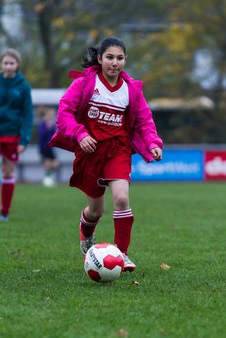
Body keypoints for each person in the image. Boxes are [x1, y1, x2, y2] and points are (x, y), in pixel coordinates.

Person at [48, 37, 163, 271]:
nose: (115, 63)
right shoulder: (84, 84)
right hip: (90, 151)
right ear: (100, 59)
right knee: (96, 210)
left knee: (121, 198)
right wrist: (80, 134)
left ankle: (122, 253)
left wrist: (153, 142)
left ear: (125, 60)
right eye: (109, 57)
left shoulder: (131, 89)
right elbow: (64, 113)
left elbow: (144, 120)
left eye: (120, 58)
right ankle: (86, 232)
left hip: (118, 150)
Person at [0, 48, 33, 222]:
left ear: (17, 64)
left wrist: (24, 139)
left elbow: (28, 114)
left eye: (11, 63)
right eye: (5, 62)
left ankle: (4, 211)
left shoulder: (23, 86)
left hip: (12, 134)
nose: (8, 66)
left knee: (7, 171)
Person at [38, 108, 59, 187]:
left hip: (51, 147)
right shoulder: (42, 123)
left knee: (55, 164)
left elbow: (54, 135)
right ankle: (47, 178)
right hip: (43, 146)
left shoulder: (52, 124)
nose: (51, 116)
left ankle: (49, 176)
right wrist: (47, 127)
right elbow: (42, 134)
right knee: (47, 163)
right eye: (50, 115)